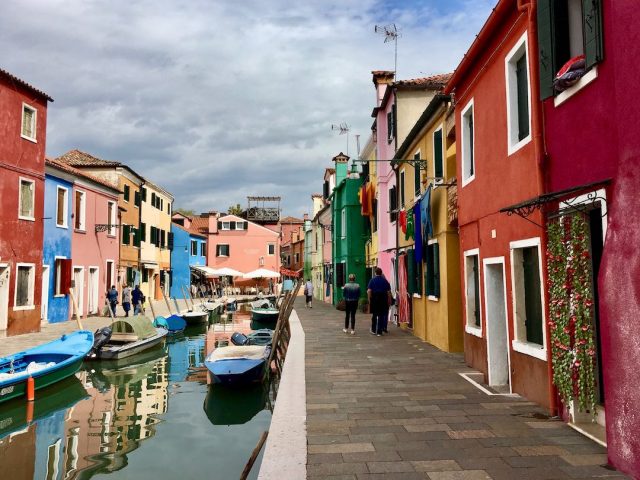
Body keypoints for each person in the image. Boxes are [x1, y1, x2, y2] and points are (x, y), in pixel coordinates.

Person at [367, 267, 392, 336]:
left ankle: (373, 330)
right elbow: (388, 292)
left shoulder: (372, 280)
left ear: (375, 273)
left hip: (375, 299)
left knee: (374, 315)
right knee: (381, 315)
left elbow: (369, 291)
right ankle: (379, 332)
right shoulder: (385, 281)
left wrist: (369, 299)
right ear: (381, 273)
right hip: (383, 299)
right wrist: (389, 300)